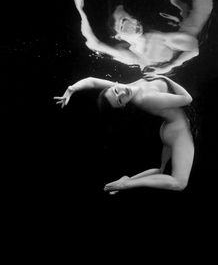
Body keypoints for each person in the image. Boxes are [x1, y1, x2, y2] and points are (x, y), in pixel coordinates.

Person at [54, 75, 194, 192]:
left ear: (114, 85)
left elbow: (92, 81)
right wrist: (164, 77)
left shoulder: (125, 86)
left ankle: (128, 179)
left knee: (161, 171)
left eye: (115, 91)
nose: (122, 93)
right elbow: (187, 98)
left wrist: (71, 88)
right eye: (120, 100)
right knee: (179, 183)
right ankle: (126, 185)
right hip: (178, 131)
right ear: (123, 105)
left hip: (168, 128)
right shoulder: (147, 98)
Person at [69, 0, 218, 77]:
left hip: (192, 24)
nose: (134, 23)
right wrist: (79, 6)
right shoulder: (132, 55)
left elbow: (194, 47)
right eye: (125, 23)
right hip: (193, 23)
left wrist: (168, 67)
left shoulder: (156, 39)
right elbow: (93, 44)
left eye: (132, 19)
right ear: (118, 36)